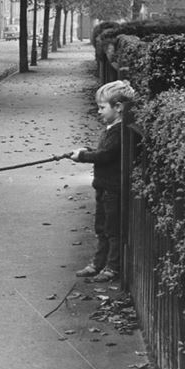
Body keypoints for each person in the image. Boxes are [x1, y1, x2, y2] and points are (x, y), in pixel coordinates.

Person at [69, 79, 137, 284]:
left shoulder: (119, 131)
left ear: (118, 107)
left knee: (112, 230)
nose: (98, 111)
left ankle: (112, 267)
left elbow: (106, 155)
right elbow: (103, 153)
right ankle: (98, 263)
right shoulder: (111, 128)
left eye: (102, 107)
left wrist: (82, 156)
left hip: (113, 189)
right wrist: (89, 151)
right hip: (103, 186)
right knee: (101, 227)